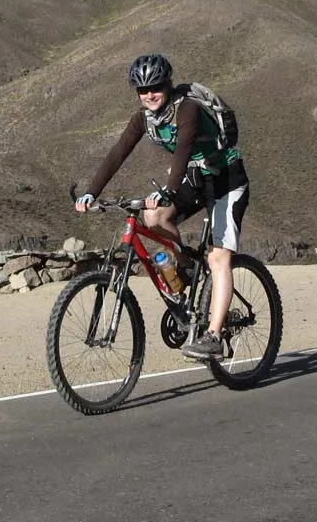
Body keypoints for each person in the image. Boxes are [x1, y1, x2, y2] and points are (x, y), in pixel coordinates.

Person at [74, 53, 249, 361]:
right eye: (142, 90)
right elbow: (119, 152)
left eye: (155, 87)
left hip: (226, 182)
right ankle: (187, 267)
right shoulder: (144, 118)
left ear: (167, 85)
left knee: (219, 258)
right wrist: (91, 193)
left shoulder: (188, 109)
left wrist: (169, 189)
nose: (149, 95)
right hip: (195, 178)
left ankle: (214, 337)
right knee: (151, 216)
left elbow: (182, 150)